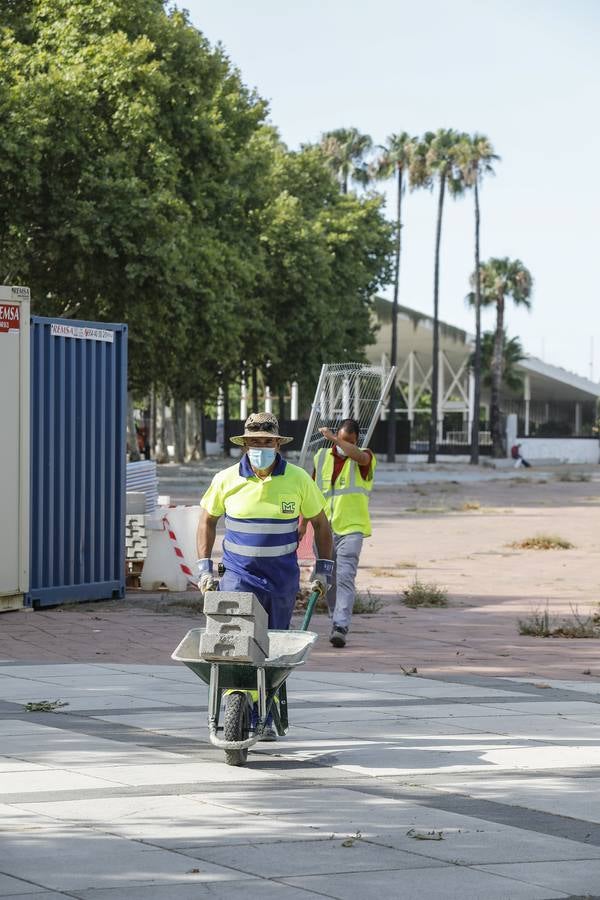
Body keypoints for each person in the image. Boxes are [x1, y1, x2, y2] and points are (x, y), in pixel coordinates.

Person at [196, 412, 334, 739]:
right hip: (238, 577)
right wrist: (204, 567)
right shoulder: (226, 479)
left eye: (267, 442)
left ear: (277, 444)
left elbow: (322, 525)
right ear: (245, 445)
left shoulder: (299, 479)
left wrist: (323, 569)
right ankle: (236, 702)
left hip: (281, 580)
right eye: (254, 442)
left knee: (272, 649)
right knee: (234, 646)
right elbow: (206, 521)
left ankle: (265, 711)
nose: (260, 447)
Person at [312, 418, 376, 648]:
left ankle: (341, 626)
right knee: (327, 580)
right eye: (341, 439)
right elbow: (310, 494)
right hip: (324, 531)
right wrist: (302, 526)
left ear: (355, 440)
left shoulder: (364, 457)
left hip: (352, 530)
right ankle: (334, 617)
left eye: (348, 441)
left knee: (346, 578)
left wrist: (334, 438)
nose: (343, 444)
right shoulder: (321, 458)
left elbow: (359, 456)